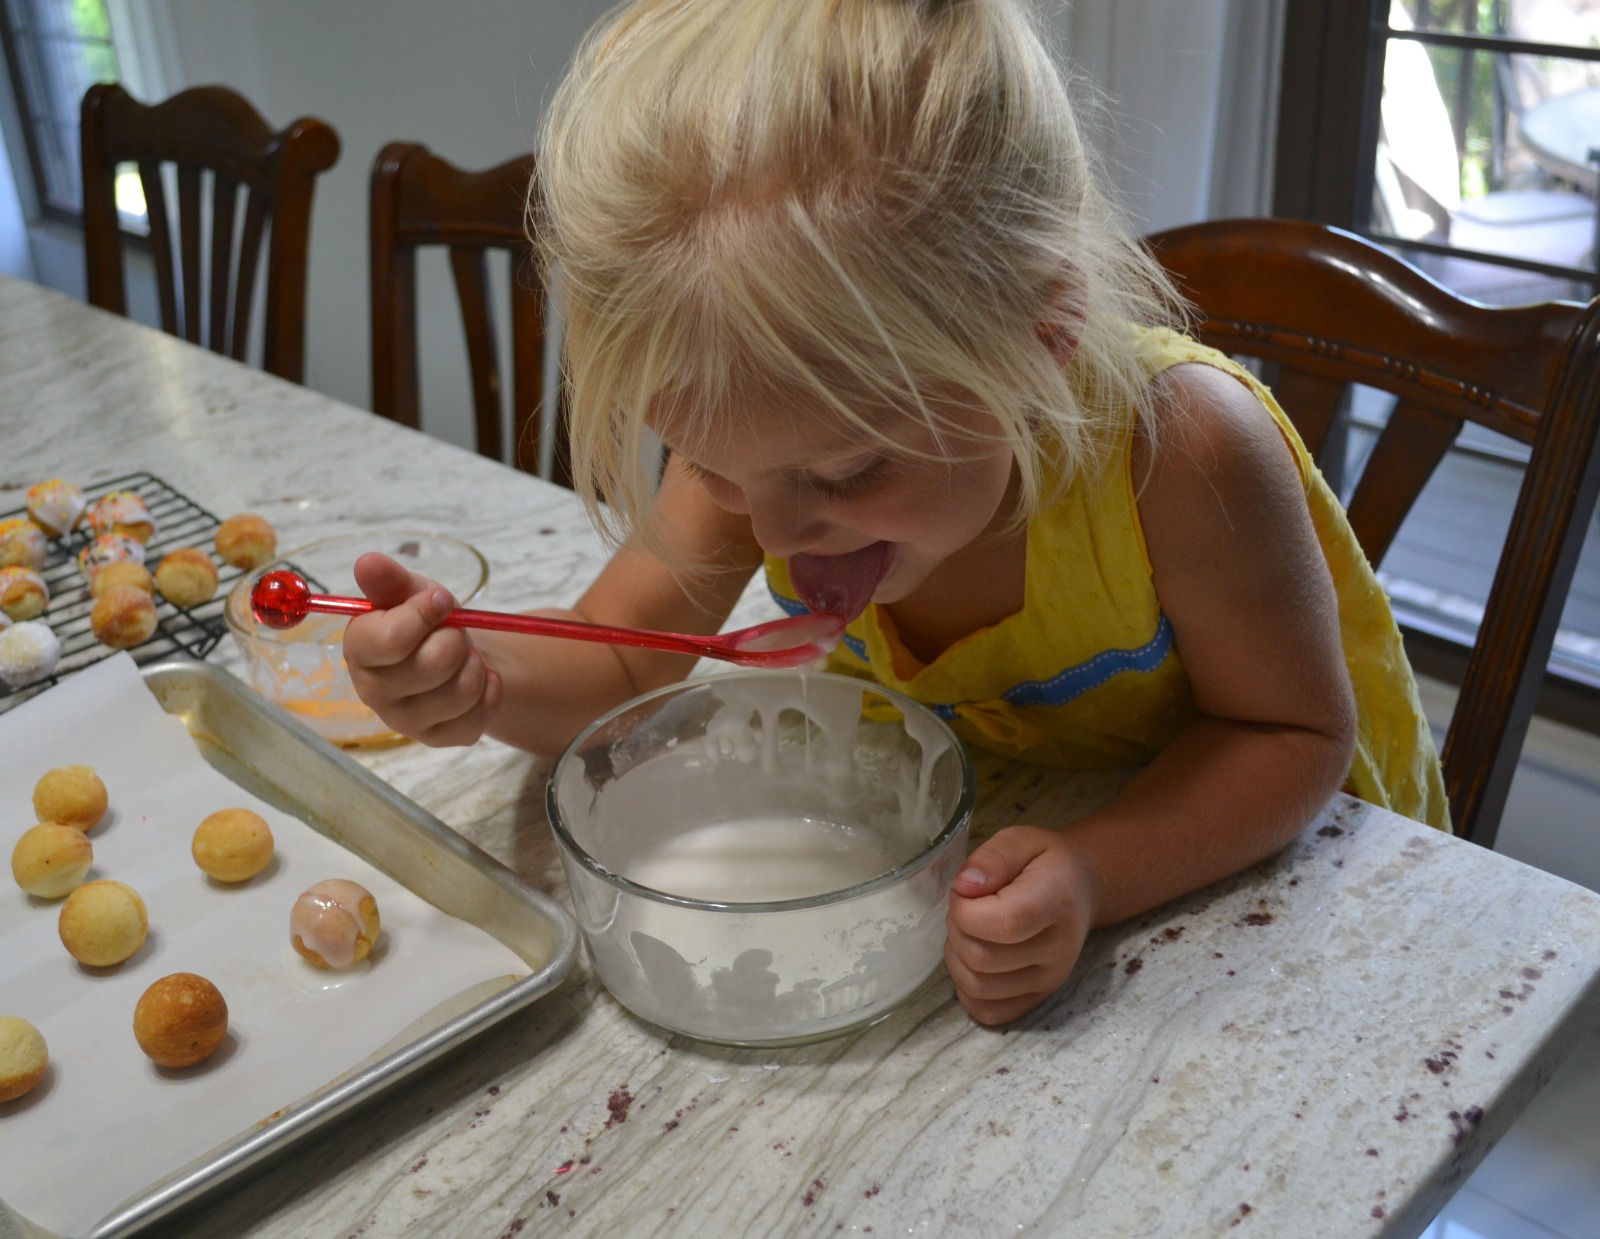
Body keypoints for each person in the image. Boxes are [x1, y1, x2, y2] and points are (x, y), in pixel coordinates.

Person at [345, 0, 1448, 1027]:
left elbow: (1289, 735)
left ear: (1040, 335)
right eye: (715, 467)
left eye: (845, 473)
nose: (774, 533)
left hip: (1287, 925)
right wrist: (479, 682)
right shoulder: (765, 450)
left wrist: (1096, 866)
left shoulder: (1183, 453)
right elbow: (621, 674)